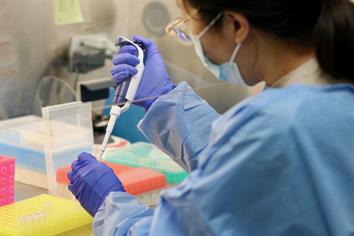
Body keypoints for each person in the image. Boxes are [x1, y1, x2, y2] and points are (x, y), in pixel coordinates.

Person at [68, 0, 354, 235]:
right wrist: (161, 100)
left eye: (188, 27)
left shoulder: (276, 124)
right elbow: (243, 168)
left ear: (236, 25)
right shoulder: (327, 88)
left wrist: (110, 205)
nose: (191, 39)